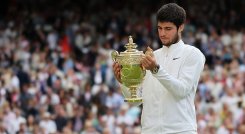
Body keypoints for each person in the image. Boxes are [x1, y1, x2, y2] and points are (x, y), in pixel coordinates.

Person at [112, 3, 206, 134]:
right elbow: (136, 101)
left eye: (168, 29)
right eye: (159, 28)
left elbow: (182, 91)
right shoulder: (152, 57)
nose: (162, 33)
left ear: (181, 27)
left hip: (180, 131)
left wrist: (156, 70)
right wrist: (124, 82)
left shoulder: (192, 54)